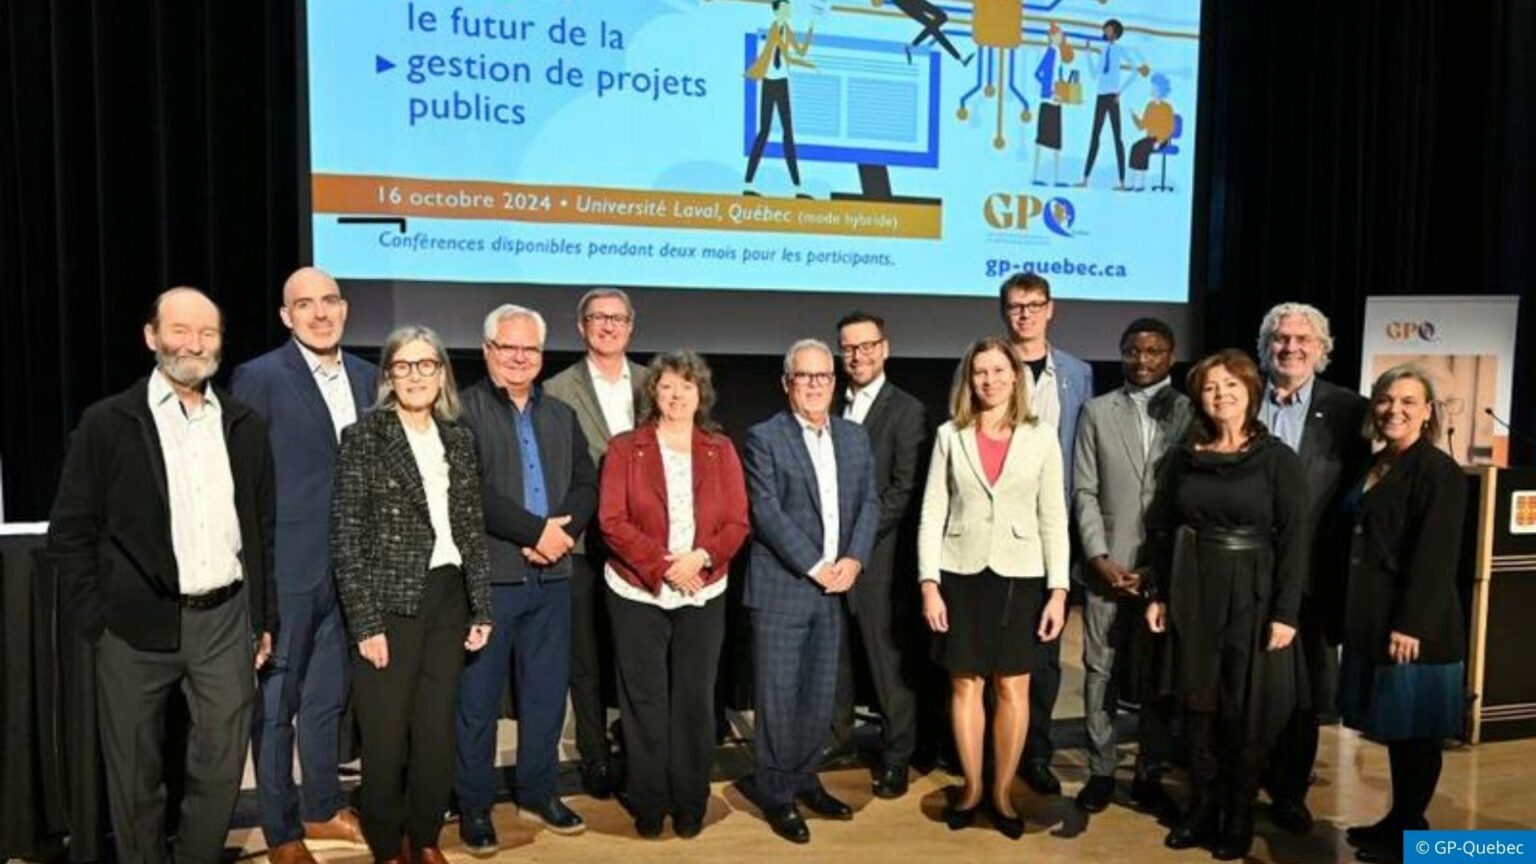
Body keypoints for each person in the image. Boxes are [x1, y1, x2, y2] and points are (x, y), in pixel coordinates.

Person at [50, 287, 277, 864]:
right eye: (180, 330)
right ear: (152, 336)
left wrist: (262, 617)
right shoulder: (107, 423)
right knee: (134, 775)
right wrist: (97, 622)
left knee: (220, 768)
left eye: (207, 333)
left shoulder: (245, 425)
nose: (194, 344)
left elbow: (262, 530)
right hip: (132, 626)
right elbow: (71, 531)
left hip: (225, 621)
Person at [331, 325, 493, 864]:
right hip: (389, 604)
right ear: (389, 377)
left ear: (442, 373)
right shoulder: (364, 437)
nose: (416, 376)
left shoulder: (458, 438)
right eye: (403, 366)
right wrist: (365, 623)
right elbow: (346, 536)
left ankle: (424, 838)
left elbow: (470, 529)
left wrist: (480, 604)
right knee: (384, 736)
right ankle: (386, 844)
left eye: (426, 365)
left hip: (449, 596)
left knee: (434, 729)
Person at [231, 267, 376, 863]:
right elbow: (243, 482)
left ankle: (322, 808)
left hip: (353, 569)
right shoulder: (259, 377)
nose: (320, 313)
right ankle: (282, 830)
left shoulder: (369, 376)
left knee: (327, 700)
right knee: (276, 707)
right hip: (288, 569)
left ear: (344, 308)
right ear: (286, 316)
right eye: (305, 304)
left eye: (329, 301)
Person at [1143, 349, 1307, 861]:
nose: (1221, 395)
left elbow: (1296, 539)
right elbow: (1161, 526)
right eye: (1211, 387)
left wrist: (1285, 612)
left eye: (1231, 385)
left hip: (1253, 593)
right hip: (1193, 587)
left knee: (1244, 711)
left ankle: (1237, 816)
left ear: (1251, 391)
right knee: (1198, 707)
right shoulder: (1184, 456)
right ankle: (1201, 809)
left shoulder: (1278, 459)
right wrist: (1158, 593)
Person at [455, 305, 598, 854]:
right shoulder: (462, 411)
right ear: (487, 349)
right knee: (478, 701)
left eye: (530, 349)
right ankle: (475, 805)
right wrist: (535, 531)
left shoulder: (560, 413)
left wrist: (561, 535)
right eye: (508, 347)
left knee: (545, 695)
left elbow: (585, 482)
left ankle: (539, 792)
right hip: (493, 578)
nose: (519, 357)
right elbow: (470, 490)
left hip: (553, 577)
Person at [917, 336, 1070, 839]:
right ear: (969, 379)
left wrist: (1059, 590)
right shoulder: (950, 435)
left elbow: (1054, 518)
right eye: (980, 371)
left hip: (1020, 576)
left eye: (999, 370)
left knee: (1012, 685)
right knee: (965, 684)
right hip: (960, 573)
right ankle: (972, 788)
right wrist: (929, 583)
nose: (990, 380)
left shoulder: (1041, 437)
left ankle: (1002, 793)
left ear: (1015, 376)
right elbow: (932, 513)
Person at [598, 351, 750, 839]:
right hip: (637, 593)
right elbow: (611, 521)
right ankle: (648, 801)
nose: (677, 395)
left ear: (700, 393)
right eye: (667, 386)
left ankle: (689, 800)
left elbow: (737, 522)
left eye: (686, 386)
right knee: (644, 703)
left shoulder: (720, 449)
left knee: (693, 702)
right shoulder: (625, 448)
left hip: (703, 590)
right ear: (653, 394)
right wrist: (665, 566)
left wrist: (700, 558)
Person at [739, 338, 880, 844]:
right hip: (785, 588)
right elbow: (766, 511)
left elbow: (869, 504)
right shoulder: (764, 437)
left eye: (823, 376)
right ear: (787, 383)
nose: (815, 384)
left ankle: (804, 778)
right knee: (778, 698)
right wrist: (818, 567)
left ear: (834, 383)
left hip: (836, 588)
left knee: (819, 698)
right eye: (805, 376)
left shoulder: (854, 437)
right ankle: (777, 793)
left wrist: (854, 560)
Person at [1338, 365, 1467, 864]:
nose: (1395, 409)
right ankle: (1398, 821)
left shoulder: (1438, 470)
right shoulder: (1379, 462)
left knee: (1417, 737)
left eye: (1409, 401)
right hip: (1376, 619)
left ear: (1428, 411)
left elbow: (1437, 554)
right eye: (1386, 399)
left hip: (1418, 631)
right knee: (1396, 732)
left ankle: (1413, 834)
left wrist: (1411, 624)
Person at [1255, 302, 1370, 833]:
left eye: (1304, 339)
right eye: (1281, 338)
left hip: (1312, 578)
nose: (1291, 347)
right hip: (1243, 571)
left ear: (1322, 349)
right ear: (1266, 346)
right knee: (1244, 685)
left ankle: (1289, 790)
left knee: (1301, 695)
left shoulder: (1348, 410)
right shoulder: (1238, 393)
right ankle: (1239, 779)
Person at [1071, 318, 1189, 815]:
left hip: (1166, 569)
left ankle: (1149, 772)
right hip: (1107, 566)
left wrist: (1158, 567)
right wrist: (1098, 557)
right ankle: (1101, 770)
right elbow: (1084, 489)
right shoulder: (1096, 411)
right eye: (1132, 351)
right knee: (1100, 670)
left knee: (1159, 677)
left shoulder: (1191, 410)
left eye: (1154, 351)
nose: (1142, 360)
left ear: (1171, 355)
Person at [544, 287, 648, 801]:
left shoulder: (655, 382)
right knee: (584, 656)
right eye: (598, 318)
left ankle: (638, 745)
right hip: (584, 542)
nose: (608, 326)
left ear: (631, 326)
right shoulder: (556, 389)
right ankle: (594, 753)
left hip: (644, 543)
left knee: (635, 653)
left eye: (617, 318)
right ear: (581, 326)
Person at [1000, 271, 1093, 796]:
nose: (1026, 314)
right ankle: (992, 750)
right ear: (1004, 312)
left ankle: (1035, 752)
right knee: (993, 648)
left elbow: (1081, 450)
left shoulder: (1077, 373)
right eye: (1016, 306)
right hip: (995, 530)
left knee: (1044, 650)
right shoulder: (985, 365)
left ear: (1050, 309)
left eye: (1034, 305)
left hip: (1051, 530)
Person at [828, 312, 926, 798]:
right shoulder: (827, 403)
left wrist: (856, 545)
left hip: (879, 559)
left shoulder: (907, 410)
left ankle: (896, 756)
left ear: (885, 349)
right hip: (828, 555)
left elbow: (902, 490)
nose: (858, 355)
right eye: (849, 348)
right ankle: (838, 740)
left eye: (867, 346)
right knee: (835, 656)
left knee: (886, 663)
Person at [744, 0, 815, 199]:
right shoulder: (774, 29)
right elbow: (787, 55)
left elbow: (800, 51)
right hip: (769, 83)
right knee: (764, 132)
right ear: (776, 11)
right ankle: (747, 182)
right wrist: (806, 65)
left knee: (788, 133)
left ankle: (797, 186)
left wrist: (811, 29)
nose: (789, 10)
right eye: (785, 8)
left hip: (782, 83)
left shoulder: (787, 29)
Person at [1078, 18, 1146, 190]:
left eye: (1108, 29)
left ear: (1115, 33)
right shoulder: (1103, 50)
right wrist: (1087, 53)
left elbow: (1135, 70)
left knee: (1117, 138)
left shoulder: (1119, 50)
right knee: (1095, 135)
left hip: (1113, 97)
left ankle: (1122, 182)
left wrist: (1120, 91)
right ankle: (1085, 179)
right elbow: (1094, 74)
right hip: (1101, 96)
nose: (1105, 32)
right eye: (1105, 29)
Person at [1031, 21, 1077, 186]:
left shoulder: (1058, 54)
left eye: (1060, 36)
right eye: (1057, 36)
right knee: (1041, 140)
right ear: (1051, 37)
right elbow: (1038, 73)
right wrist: (1048, 91)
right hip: (1048, 101)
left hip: (1057, 102)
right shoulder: (1050, 53)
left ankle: (1056, 178)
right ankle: (1036, 176)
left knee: (1056, 141)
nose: (1059, 38)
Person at [872, 0, 973, 65]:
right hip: (908, 5)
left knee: (939, 24)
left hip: (913, 4)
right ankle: (959, 58)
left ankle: (912, 46)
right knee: (937, 25)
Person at [1127, 73, 1175, 192]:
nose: (1152, 90)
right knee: (1135, 147)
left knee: (1142, 148)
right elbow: (1142, 126)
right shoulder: (1150, 106)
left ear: (1161, 90)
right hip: (1150, 138)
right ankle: (1131, 182)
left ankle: (1140, 184)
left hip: (1162, 139)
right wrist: (1133, 115)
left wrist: (1160, 141)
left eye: (1155, 88)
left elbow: (1169, 128)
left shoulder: (1167, 107)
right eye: (1152, 87)